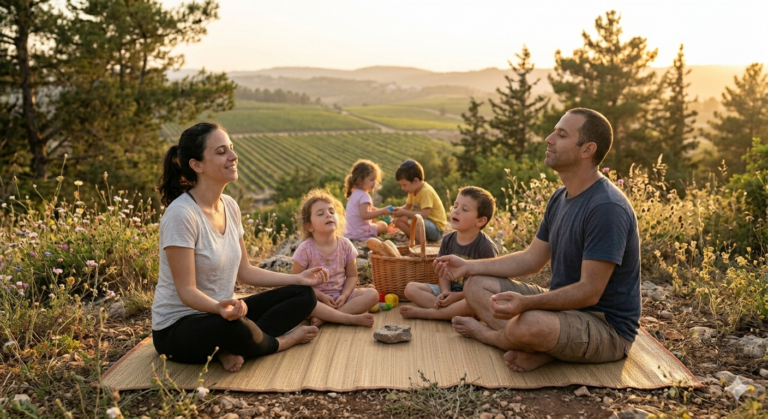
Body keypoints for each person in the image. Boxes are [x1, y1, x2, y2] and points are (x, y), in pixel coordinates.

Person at [435, 108, 641, 373]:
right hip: (562, 311)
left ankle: (492, 337)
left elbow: (590, 291)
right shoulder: (559, 197)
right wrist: (468, 266)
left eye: (561, 135)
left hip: (605, 326)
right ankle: (540, 347)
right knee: (475, 285)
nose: (548, 139)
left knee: (530, 323)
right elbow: (531, 259)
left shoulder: (606, 207)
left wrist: (527, 304)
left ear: (587, 150)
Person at [152, 122, 328, 373]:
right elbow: (186, 291)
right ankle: (280, 342)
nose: (233, 156)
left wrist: (298, 278)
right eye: (221, 151)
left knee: (303, 295)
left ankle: (237, 345)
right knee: (234, 328)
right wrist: (217, 308)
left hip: (226, 314)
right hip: (179, 327)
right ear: (197, 165)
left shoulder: (230, 206)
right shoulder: (182, 215)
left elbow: (245, 272)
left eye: (231, 148)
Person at [400, 186, 498, 320]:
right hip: (449, 292)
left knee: (475, 304)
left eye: (464, 209)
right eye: (455, 206)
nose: (456, 211)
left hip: (469, 297)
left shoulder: (486, 247)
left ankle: (431, 313)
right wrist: (446, 293)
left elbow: (488, 288)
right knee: (410, 289)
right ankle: (449, 313)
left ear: (480, 221)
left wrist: (457, 297)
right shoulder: (447, 240)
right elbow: (443, 273)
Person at [292, 188, 380, 327]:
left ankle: (327, 318)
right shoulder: (305, 249)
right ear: (309, 226)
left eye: (332, 212)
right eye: (321, 213)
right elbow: (297, 282)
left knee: (373, 294)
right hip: (315, 300)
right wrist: (321, 297)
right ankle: (343, 317)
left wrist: (344, 295)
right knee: (295, 302)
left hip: (341, 298)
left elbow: (352, 276)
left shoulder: (345, 245)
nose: (328, 215)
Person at [392, 159, 447, 243]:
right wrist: (396, 210)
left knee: (417, 221)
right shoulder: (412, 190)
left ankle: (422, 244)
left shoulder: (426, 191)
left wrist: (403, 212)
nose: (402, 188)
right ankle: (415, 238)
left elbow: (424, 215)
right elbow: (407, 207)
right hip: (422, 225)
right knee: (397, 221)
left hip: (435, 229)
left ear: (415, 181)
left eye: (404, 185)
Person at [343, 159, 392, 241]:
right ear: (360, 181)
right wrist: (382, 211)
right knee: (383, 225)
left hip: (350, 233)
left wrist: (379, 210)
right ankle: (370, 232)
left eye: (375, 180)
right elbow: (365, 215)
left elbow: (366, 209)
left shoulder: (355, 193)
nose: (374, 183)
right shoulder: (364, 196)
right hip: (360, 233)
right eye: (371, 180)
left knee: (375, 222)